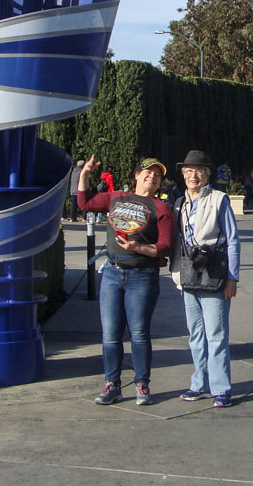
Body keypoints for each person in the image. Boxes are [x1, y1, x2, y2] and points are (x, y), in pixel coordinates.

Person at [78, 155, 174, 406]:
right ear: (137, 175)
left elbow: (165, 246)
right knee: (111, 334)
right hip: (112, 273)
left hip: (142, 275)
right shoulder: (116, 197)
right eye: (148, 172)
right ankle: (112, 385)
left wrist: (137, 248)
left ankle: (142, 383)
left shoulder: (160, 208)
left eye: (157, 175)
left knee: (139, 333)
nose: (152, 177)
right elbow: (85, 203)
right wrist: (84, 173)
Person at [171, 150, 241, 408]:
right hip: (189, 274)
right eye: (189, 171)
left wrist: (232, 278)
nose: (193, 175)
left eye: (199, 171)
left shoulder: (219, 200)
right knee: (196, 334)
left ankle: (221, 388)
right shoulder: (179, 203)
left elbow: (233, 240)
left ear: (208, 174)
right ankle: (198, 383)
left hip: (215, 274)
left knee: (216, 334)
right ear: (183, 175)